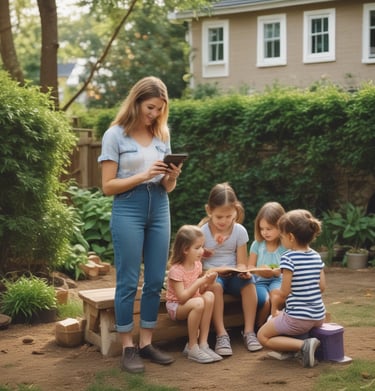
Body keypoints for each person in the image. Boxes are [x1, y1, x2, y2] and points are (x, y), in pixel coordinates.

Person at [98, 76, 182, 373]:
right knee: (128, 280)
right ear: (135, 102)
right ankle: (128, 347)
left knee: (156, 279)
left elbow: (167, 186)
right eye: (150, 108)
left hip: (160, 206)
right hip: (128, 208)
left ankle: (146, 343)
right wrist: (143, 175)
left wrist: (170, 176)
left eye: (159, 109)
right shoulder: (115, 135)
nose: (154, 114)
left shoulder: (162, 134)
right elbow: (108, 186)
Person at [199, 182, 263, 356]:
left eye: (229, 216)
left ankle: (249, 331)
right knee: (215, 287)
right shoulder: (202, 233)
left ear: (236, 211)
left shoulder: (239, 231)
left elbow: (242, 262)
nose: (224, 221)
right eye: (219, 217)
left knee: (249, 282)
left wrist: (244, 271)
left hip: (233, 274)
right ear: (209, 211)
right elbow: (198, 266)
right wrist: (212, 264)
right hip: (212, 276)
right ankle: (221, 334)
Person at [257, 209, 326, 368]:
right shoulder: (316, 255)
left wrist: (274, 306)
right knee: (285, 318)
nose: (281, 239)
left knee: (263, 336)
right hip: (318, 315)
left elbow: (284, 292)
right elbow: (322, 287)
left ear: (291, 237)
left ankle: (303, 346)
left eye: (281, 236)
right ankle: (300, 344)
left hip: (298, 319)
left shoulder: (288, 257)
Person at [166, 225, 222, 363]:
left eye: (202, 246)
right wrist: (198, 282)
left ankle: (203, 344)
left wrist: (208, 282)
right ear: (185, 250)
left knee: (209, 296)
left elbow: (200, 292)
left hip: (193, 301)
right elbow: (182, 297)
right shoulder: (176, 270)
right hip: (176, 306)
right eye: (197, 248)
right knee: (198, 302)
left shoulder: (197, 264)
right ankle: (192, 346)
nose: (201, 251)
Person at [248, 202, 286, 328]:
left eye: (269, 229)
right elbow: (250, 267)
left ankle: (273, 326)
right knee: (265, 302)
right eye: (261, 229)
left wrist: (277, 271)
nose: (265, 232)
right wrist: (259, 271)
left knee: (276, 298)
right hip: (260, 281)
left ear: (280, 227)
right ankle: (259, 328)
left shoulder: (285, 246)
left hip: (278, 279)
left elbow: (289, 268)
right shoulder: (257, 245)